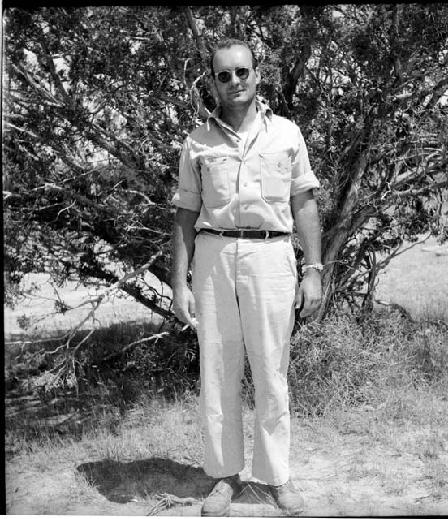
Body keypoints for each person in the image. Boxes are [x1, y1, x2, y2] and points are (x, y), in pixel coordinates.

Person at [171, 38, 322, 516]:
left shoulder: (286, 134)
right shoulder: (197, 141)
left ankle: (276, 478)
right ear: (212, 83)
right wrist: (179, 282)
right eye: (223, 75)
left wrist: (313, 270)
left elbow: (304, 202)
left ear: (257, 74)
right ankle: (224, 477)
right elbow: (185, 212)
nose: (234, 81)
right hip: (214, 257)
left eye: (242, 72)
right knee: (217, 370)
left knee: (272, 370)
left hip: (272, 256)